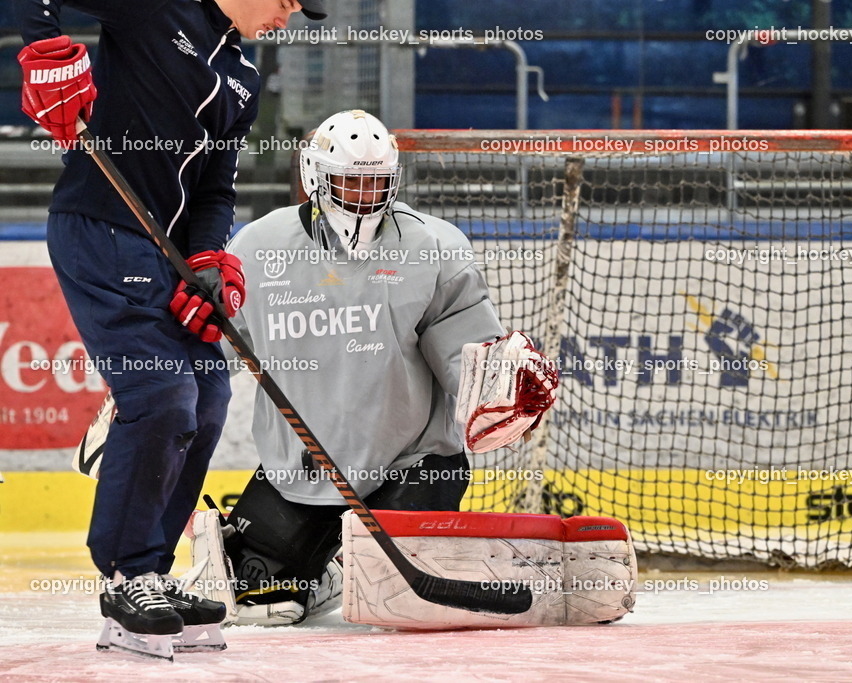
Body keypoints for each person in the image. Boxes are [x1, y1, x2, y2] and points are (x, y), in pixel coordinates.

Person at [14, 0, 328, 658]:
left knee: (209, 396)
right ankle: (126, 575)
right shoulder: (157, 8)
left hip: (168, 254)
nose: (287, 19)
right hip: (101, 225)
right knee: (161, 394)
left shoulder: (243, 77)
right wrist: (44, 50)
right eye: (285, 3)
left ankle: (152, 571)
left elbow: (215, 189)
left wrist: (209, 261)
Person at [188, 109, 520, 625]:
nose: (364, 195)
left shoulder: (432, 247)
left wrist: (501, 394)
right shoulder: (257, 248)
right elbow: (218, 347)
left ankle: (351, 563)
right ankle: (331, 573)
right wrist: (151, 392)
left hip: (411, 463)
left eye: (376, 182)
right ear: (316, 177)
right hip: (300, 470)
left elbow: (467, 356)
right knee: (259, 596)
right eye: (350, 181)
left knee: (393, 601)